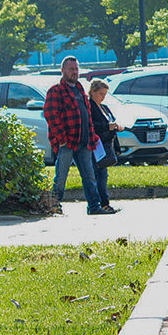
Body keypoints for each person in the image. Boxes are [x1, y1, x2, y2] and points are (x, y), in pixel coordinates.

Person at [43, 56, 103, 215]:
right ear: (62, 70)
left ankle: (94, 206)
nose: (74, 72)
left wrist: (92, 136)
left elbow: (87, 115)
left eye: (76, 69)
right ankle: (53, 206)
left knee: (89, 177)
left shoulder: (80, 89)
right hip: (67, 143)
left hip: (84, 142)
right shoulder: (56, 91)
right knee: (61, 177)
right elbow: (51, 115)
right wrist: (61, 139)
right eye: (71, 69)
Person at [86, 78, 120, 214]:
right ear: (92, 92)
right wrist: (107, 126)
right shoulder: (89, 107)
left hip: (106, 144)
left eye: (105, 94)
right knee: (97, 175)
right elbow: (91, 126)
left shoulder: (104, 107)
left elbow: (111, 121)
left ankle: (104, 203)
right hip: (95, 145)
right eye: (101, 94)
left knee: (103, 175)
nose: (103, 97)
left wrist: (116, 126)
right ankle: (99, 204)